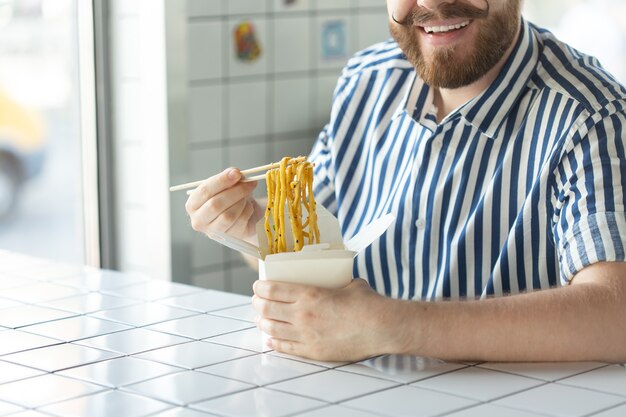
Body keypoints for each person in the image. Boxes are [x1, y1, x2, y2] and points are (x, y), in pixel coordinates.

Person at [185, 0, 626, 362]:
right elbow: (315, 249)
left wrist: (392, 325)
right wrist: (253, 229)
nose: (433, 4)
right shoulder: (365, 82)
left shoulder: (591, 116)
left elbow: (616, 313)